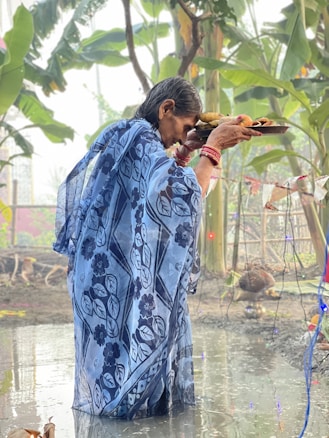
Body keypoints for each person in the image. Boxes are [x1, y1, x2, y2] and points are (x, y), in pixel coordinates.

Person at [53, 76, 261, 420]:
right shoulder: (140, 138)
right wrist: (214, 148)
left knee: (109, 371)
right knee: (128, 373)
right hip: (111, 278)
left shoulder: (128, 133)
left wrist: (189, 148)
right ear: (166, 109)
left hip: (97, 274)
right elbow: (177, 198)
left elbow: (153, 189)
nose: (184, 133)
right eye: (185, 125)